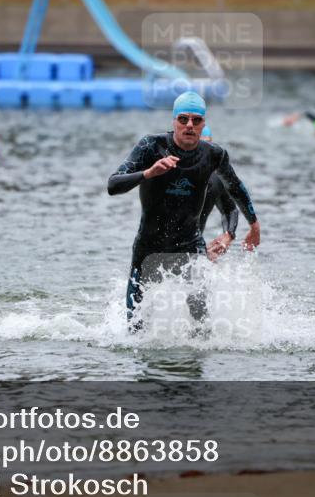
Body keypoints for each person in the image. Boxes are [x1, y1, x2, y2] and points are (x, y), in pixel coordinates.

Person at [108, 92, 261, 332]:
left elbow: (236, 188)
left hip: (190, 244)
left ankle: (196, 363)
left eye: (196, 120)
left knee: (202, 323)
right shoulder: (151, 146)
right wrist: (149, 173)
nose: (189, 125)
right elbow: (113, 185)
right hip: (149, 245)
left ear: (203, 125)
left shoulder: (214, 155)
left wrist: (253, 224)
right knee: (135, 328)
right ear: (174, 122)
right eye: (183, 119)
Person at [196, 125, 240, 261]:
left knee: (213, 264)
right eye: (199, 147)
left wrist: (228, 235)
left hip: (193, 246)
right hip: (161, 246)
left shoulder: (216, 179)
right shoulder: (169, 172)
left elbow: (230, 210)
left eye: (208, 146)